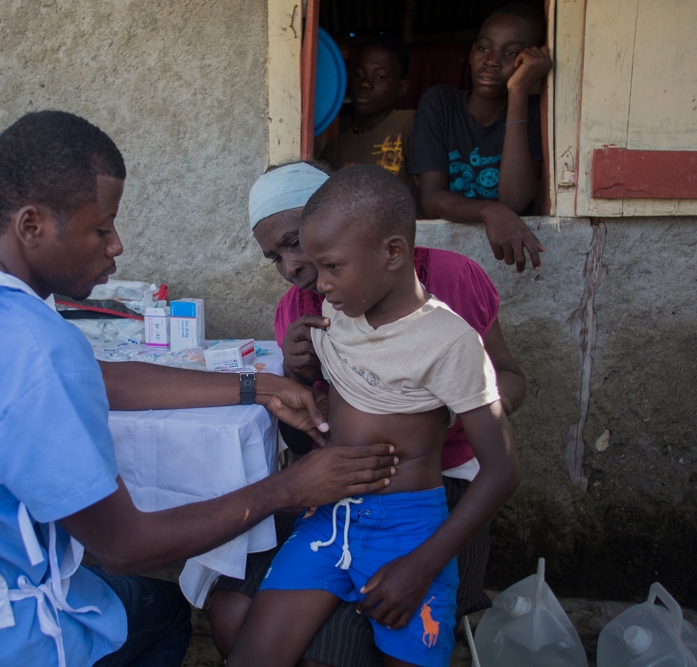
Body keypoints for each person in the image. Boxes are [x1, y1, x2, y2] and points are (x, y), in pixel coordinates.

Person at [0, 110, 399, 667]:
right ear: (32, 225)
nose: (116, 245)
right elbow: (124, 547)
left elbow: (96, 377)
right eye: (101, 227)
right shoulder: (32, 341)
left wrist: (254, 386)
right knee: (163, 614)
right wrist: (290, 488)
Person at [209, 161, 526, 667]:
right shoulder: (327, 307)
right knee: (237, 623)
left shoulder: (446, 329)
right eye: (279, 257)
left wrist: (444, 403)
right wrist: (299, 377)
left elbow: (500, 455)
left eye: (309, 252)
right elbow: (315, 432)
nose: (298, 270)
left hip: (417, 510)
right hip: (333, 509)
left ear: (388, 249)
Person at [408, 4, 552, 273]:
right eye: (485, 48)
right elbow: (432, 198)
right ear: (472, 53)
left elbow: (515, 201)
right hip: (442, 259)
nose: (492, 61)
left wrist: (519, 91)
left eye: (511, 54)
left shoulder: (536, 113)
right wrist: (489, 211)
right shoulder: (440, 104)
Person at [319, 37, 416, 199]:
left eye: (380, 77)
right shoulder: (335, 148)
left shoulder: (409, 125)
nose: (365, 84)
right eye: (358, 74)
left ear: (402, 87)